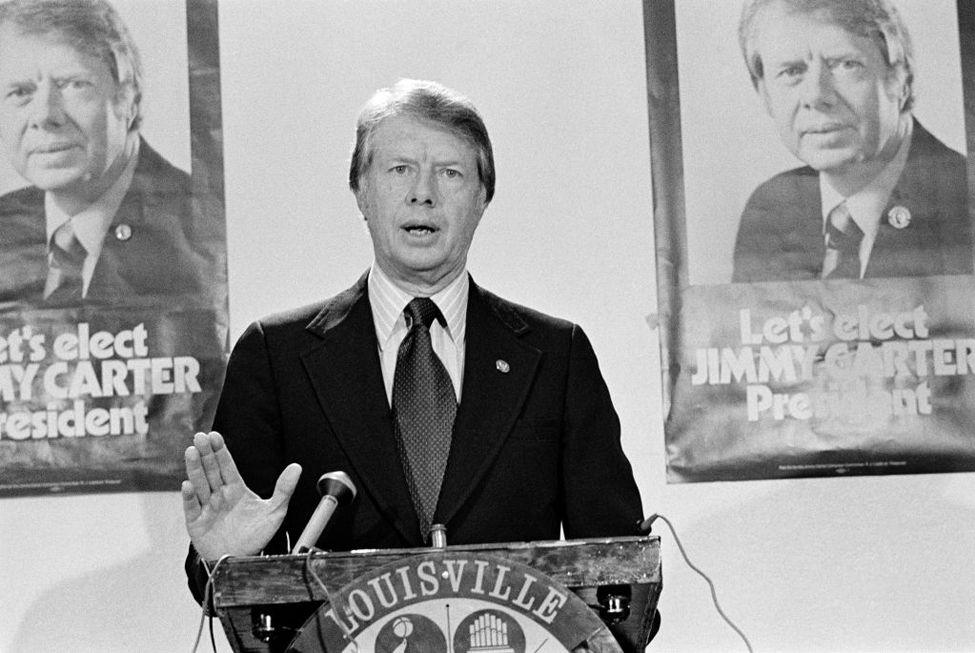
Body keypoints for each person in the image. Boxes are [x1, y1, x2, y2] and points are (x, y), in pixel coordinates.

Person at [181, 79, 643, 606]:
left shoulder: (556, 358)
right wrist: (225, 560)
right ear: (360, 190)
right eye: (400, 169)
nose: (423, 192)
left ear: (484, 198)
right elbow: (227, 587)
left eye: (449, 173)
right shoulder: (275, 356)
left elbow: (618, 576)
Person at [0, 0, 221, 307]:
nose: (44, 115)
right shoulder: (4, 226)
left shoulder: (205, 226)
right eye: (20, 92)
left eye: (74, 84)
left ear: (129, 99)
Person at [732, 0, 971, 283]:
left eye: (846, 65)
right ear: (764, 94)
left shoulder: (966, 201)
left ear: (899, 77)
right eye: (792, 71)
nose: (816, 96)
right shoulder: (769, 212)